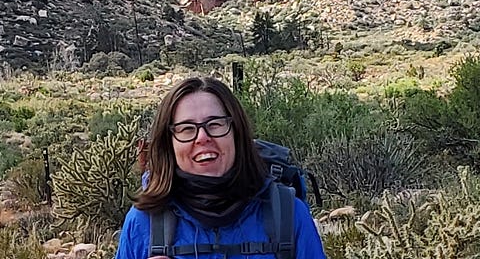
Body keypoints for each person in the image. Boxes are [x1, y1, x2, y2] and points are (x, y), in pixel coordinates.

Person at [114, 76, 327, 259]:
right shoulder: (144, 222)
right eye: (186, 129)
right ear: (169, 142)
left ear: (236, 132)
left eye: (215, 124)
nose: (202, 137)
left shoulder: (288, 214)